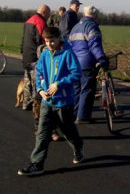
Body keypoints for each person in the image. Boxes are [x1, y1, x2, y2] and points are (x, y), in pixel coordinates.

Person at [18, 27, 83, 176]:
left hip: (64, 101)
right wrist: (40, 90)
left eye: (52, 41)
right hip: (47, 102)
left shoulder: (67, 53)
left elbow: (76, 73)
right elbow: (39, 72)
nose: (49, 44)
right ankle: (37, 163)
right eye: (46, 41)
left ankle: (78, 146)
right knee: (42, 133)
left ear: (59, 38)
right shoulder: (45, 54)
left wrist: (58, 84)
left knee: (68, 130)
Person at [69, 5, 108, 124]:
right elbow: (94, 45)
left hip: (74, 63)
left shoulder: (75, 27)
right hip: (87, 63)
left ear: (84, 14)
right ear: (96, 16)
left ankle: (73, 115)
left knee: (76, 90)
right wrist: (101, 58)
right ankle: (83, 117)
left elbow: (69, 45)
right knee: (87, 89)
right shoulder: (92, 27)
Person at [20, 4, 51, 111]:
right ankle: (35, 106)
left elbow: (23, 39)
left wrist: (22, 51)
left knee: (27, 81)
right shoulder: (40, 22)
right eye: (48, 14)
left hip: (26, 55)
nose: (49, 17)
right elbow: (42, 41)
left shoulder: (29, 20)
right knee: (36, 82)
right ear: (44, 12)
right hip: (35, 57)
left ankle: (26, 103)